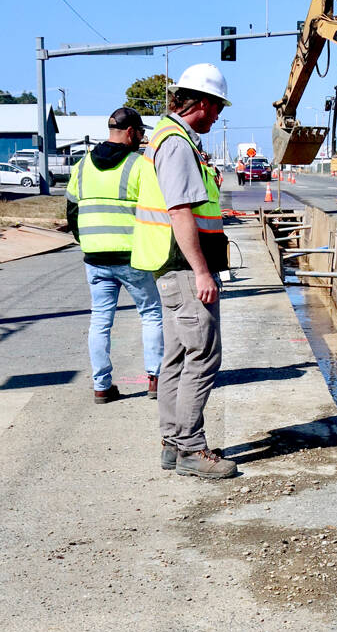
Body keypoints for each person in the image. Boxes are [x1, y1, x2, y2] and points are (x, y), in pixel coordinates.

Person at [131, 63, 237, 479]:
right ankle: (192, 448)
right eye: (217, 109)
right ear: (203, 103)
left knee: (176, 358)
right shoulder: (176, 144)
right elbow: (180, 212)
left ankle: (173, 444)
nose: (217, 117)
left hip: (171, 269)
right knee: (204, 355)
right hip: (183, 268)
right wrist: (202, 272)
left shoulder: (167, 138)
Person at [65, 107, 163, 404]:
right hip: (132, 255)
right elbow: (157, 210)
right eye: (141, 133)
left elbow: (71, 211)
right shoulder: (139, 165)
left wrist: (87, 241)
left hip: (95, 257)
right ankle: (156, 380)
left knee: (100, 320)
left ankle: (101, 387)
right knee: (151, 314)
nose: (142, 137)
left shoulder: (81, 165)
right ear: (131, 132)